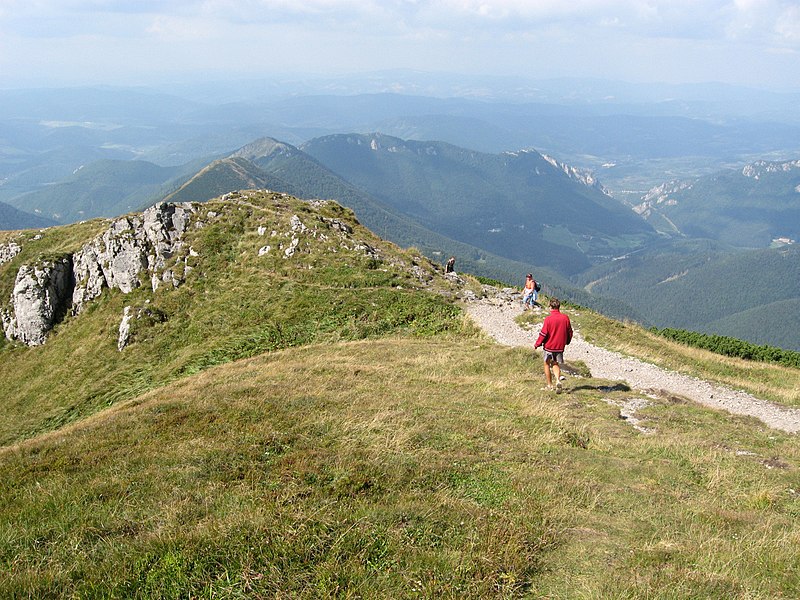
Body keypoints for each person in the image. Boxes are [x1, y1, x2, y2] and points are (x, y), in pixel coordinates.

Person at [533, 297, 573, 393]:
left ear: (551, 307)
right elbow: (570, 332)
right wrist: (567, 341)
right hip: (560, 347)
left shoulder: (548, 319)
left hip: (549, 346)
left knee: (546, 364)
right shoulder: (565, 318)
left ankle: (549, 385)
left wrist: (537, 344)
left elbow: (543, 334)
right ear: (559, 307)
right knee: (555, 363)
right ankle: (558, 380)